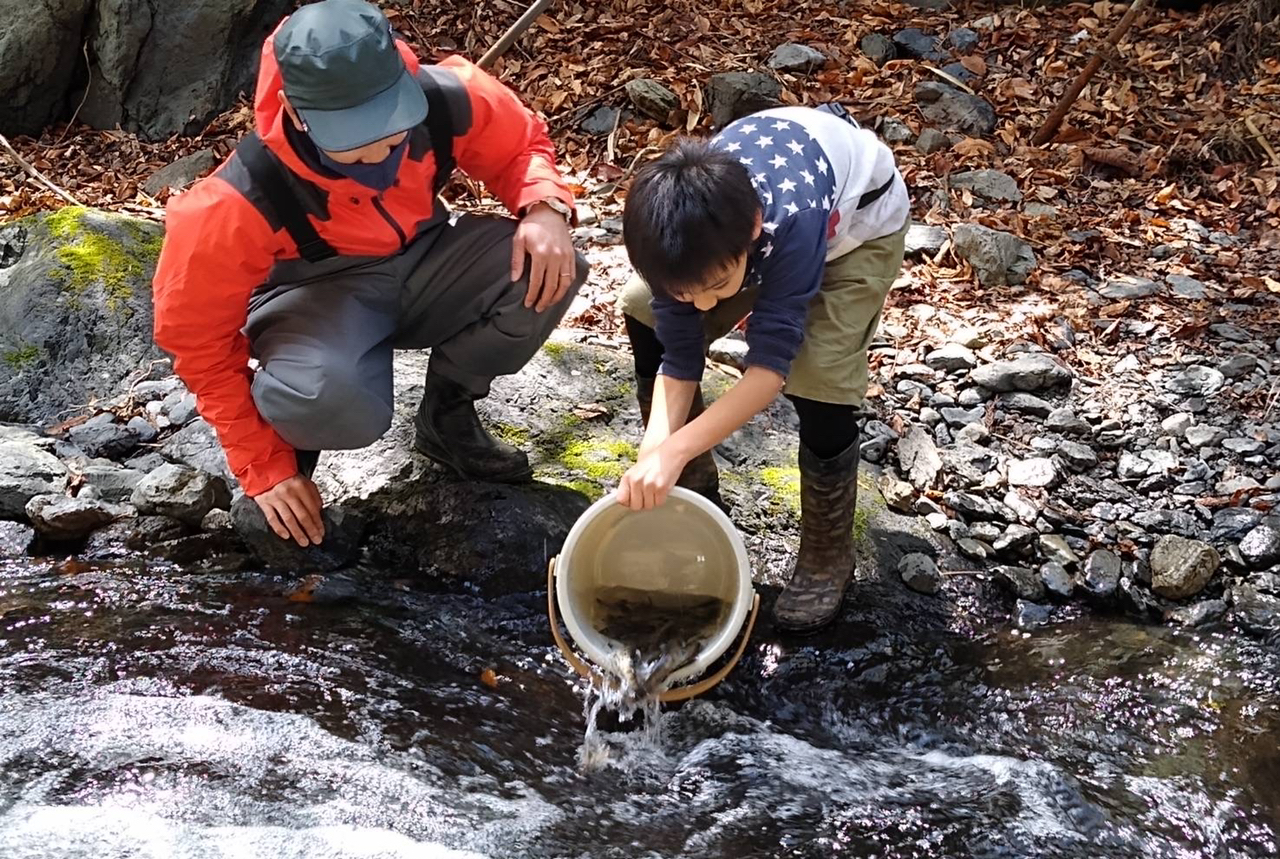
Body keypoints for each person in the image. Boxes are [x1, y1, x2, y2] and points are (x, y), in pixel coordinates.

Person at [153, 0, 586, 548]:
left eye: (392, 124)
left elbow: (521, 144)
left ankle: (447, 417)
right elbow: (196, 344)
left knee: (551, 268)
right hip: (316, 293)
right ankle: (296, 435)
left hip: (426, 256)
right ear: (295, 109)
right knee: (332, 404)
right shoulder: (230, 205)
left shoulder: (446, 94)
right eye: (354, 137)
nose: (381, 147)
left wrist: (544, 207)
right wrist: (263, 466)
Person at [614, 104, 909, 633]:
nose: (703, 307)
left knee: (818, 375)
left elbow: (768, 372)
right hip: (737, 246)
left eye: (716, 290)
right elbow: (679, 358)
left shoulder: (787, 221)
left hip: (856, 229)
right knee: (643, 311)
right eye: (685, 292)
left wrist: (674, 446)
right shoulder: (670, 240)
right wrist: (655, 452)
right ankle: (693, 488)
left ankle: (826, 557)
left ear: (750, 233)